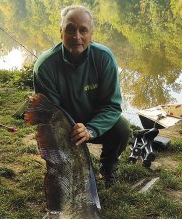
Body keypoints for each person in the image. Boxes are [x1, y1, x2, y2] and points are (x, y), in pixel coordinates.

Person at [33, 5, 130, 186]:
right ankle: (63, 170)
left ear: (91, 33)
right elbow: (50, 116)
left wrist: (90, 129)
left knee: (122, 128)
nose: (76, 36)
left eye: (83, 30)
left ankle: (108, 167)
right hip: (63, 124)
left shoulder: (104, 58)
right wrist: (71, 129)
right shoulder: (45, 66)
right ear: (61, 32)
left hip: (93, 121)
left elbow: (112, 106)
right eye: (70, 29)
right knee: (52, 137)